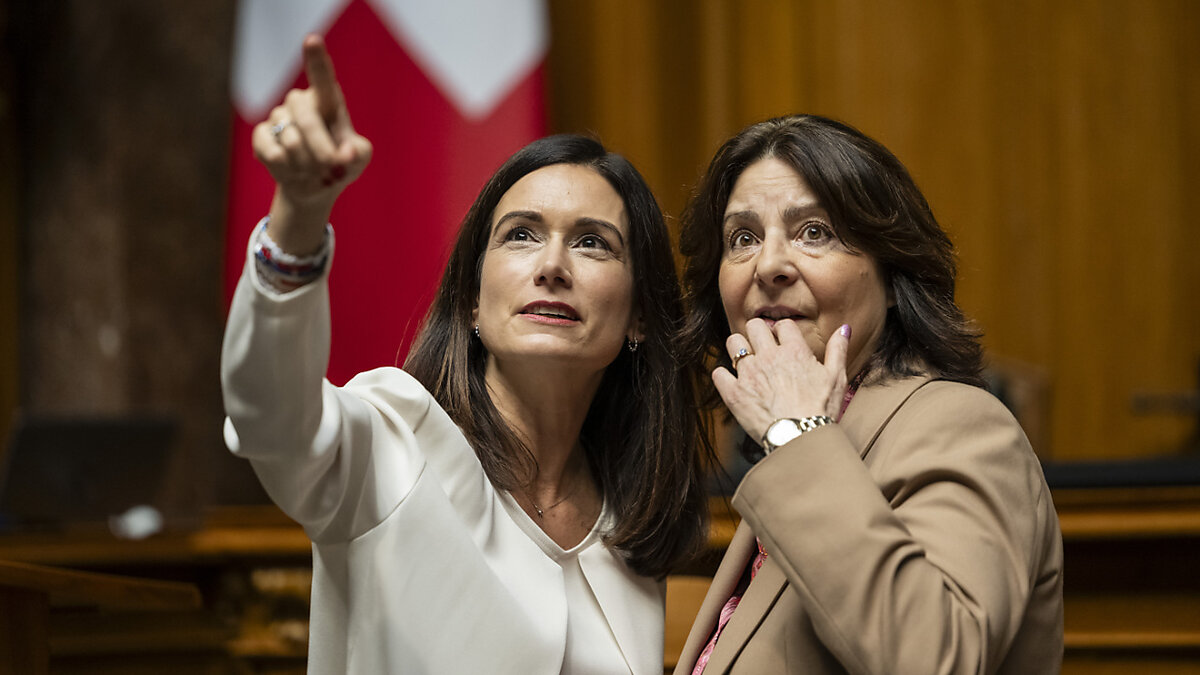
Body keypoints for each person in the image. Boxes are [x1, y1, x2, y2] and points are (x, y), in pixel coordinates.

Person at [221, 35, 710, 674]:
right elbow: (273, 420)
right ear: (473, 302)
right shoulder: (393, 445)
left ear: (639, 314)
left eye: (592, 243)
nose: (552, 266)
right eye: (521, 235)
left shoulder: (631, 521)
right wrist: (298, 218)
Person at [671, 114, 1063, 674]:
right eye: (744, 238)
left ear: (893, 275)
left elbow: (938, 661)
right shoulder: (806, 446)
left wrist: (796, 435)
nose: (769, 265)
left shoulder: (961, 423)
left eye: (814, 232)